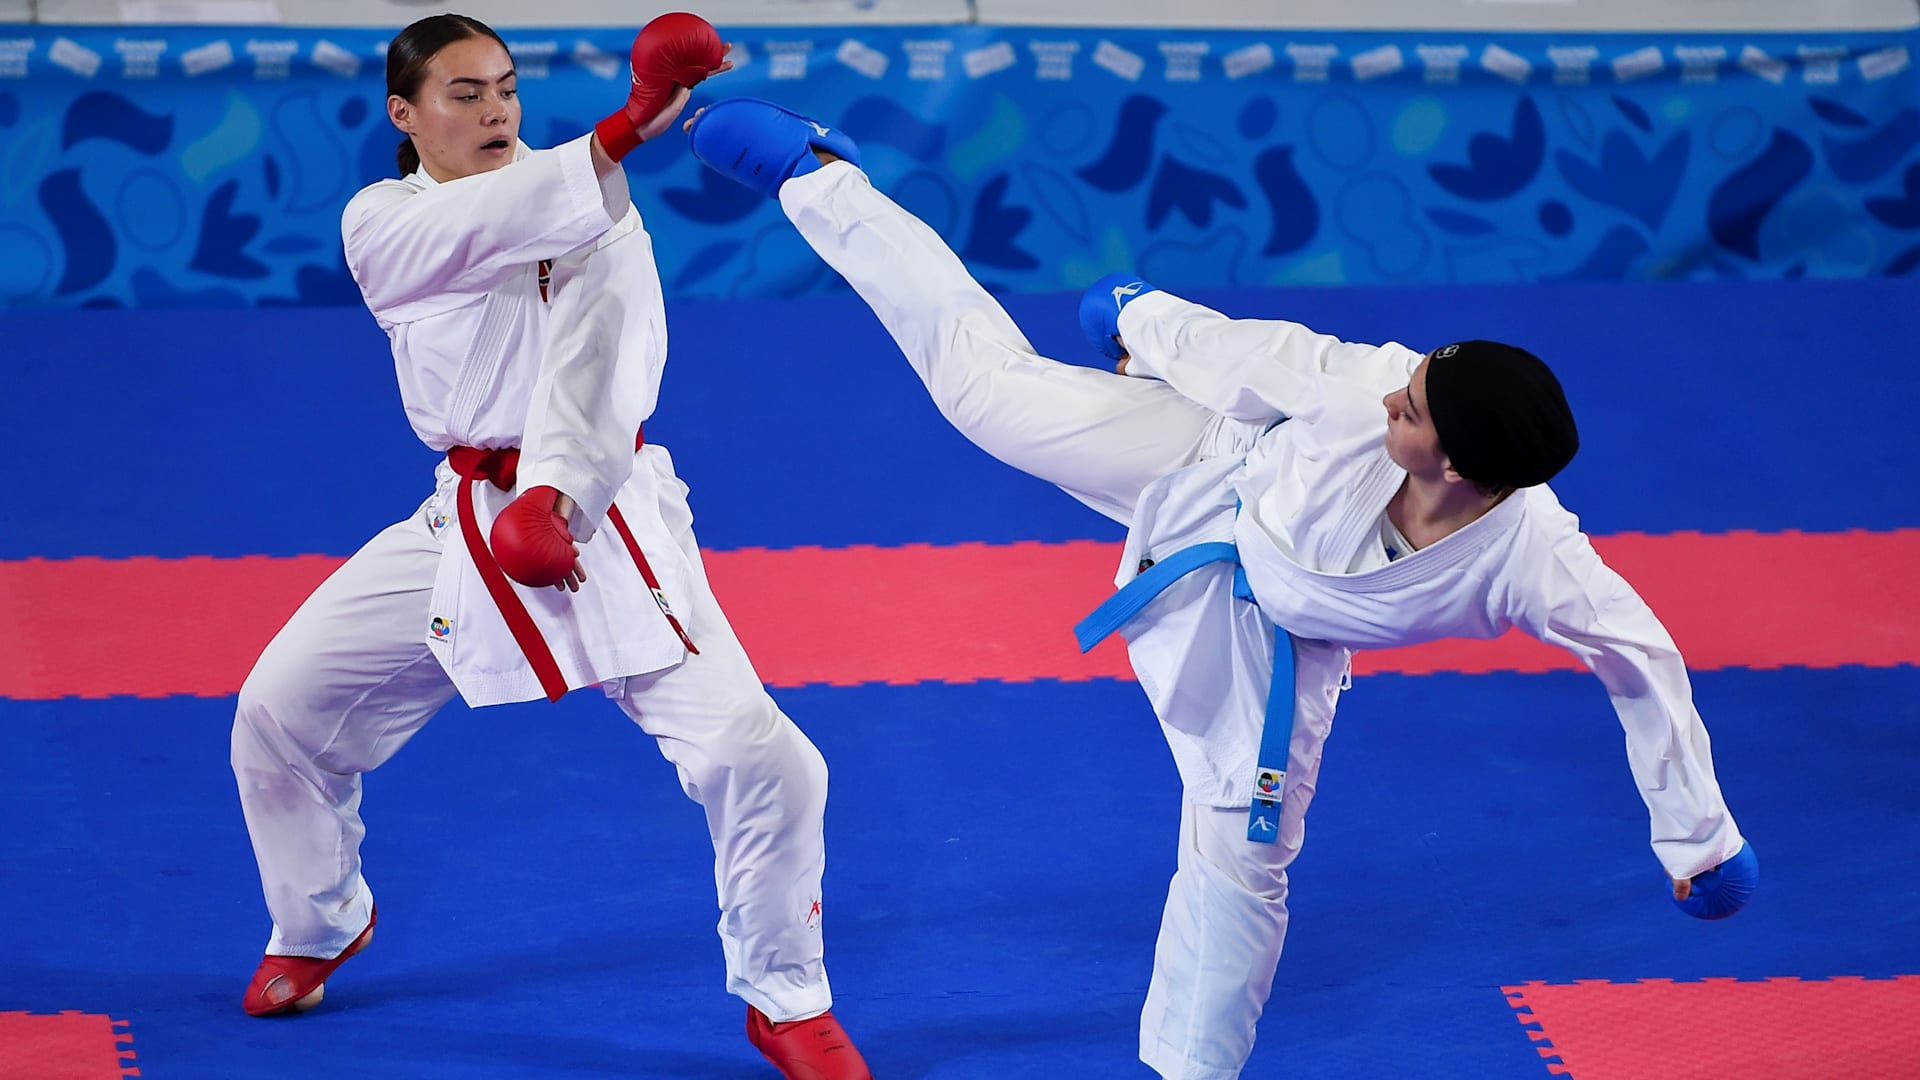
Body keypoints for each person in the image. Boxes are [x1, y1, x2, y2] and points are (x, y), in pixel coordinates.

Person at [679, 97, 1757, 1080]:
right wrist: (1142, 318)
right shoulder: (1355, 394)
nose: (1393, 389)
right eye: (1413, 376)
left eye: (1414, 408)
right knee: (981, 394)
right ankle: (819, 174)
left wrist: (1698, 838)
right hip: (1206, 462)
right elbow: (1255, 351)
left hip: (1278, 634)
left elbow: (1641, 663)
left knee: (1243, 849)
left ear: (1462, 469)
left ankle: (1190, 1071)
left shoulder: (1539, 561)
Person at [228, 21, 871, 1079]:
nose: (494, 112)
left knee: (764, 759)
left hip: (602, 518)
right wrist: (619, 129)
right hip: (460, 518)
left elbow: (607, 361)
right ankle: (318, 919)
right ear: (404, 114)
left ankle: (786, 997)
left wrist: (560, 493)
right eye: (465, 94)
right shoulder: (383, 219)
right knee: (279, 712)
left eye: (508, 92)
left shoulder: (597, 211)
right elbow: (470, 233)